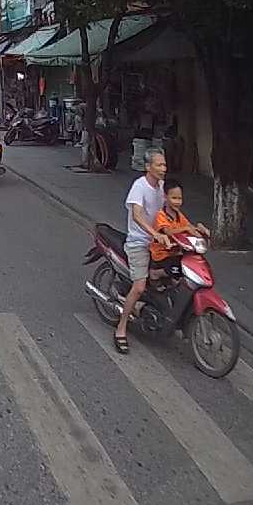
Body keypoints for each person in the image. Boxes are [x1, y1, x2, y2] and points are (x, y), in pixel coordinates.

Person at [114, 149, 171, 354]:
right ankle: (121, 328)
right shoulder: (139, 186)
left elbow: (170, 211)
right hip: (139, 242)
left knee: (174, 273)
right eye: (159, 165)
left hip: (157, 243)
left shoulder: (162, 187)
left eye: (164, 165)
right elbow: (137, 215)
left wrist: (191, 228)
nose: (163, 169)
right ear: (148, 167)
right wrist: (154, 233)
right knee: (139, 287)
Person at [149, 178, 211, 285]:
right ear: (165, 196)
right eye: (174, 198)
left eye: (179, 198)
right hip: (162, 255)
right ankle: (155, 273)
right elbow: (168, 231)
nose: (177, 202)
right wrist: (186, 228)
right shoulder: (161, 215)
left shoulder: (178, 215)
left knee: (193, 264)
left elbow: (189, 227)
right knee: (181, 268)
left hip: (176, 252)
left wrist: (200, 230)